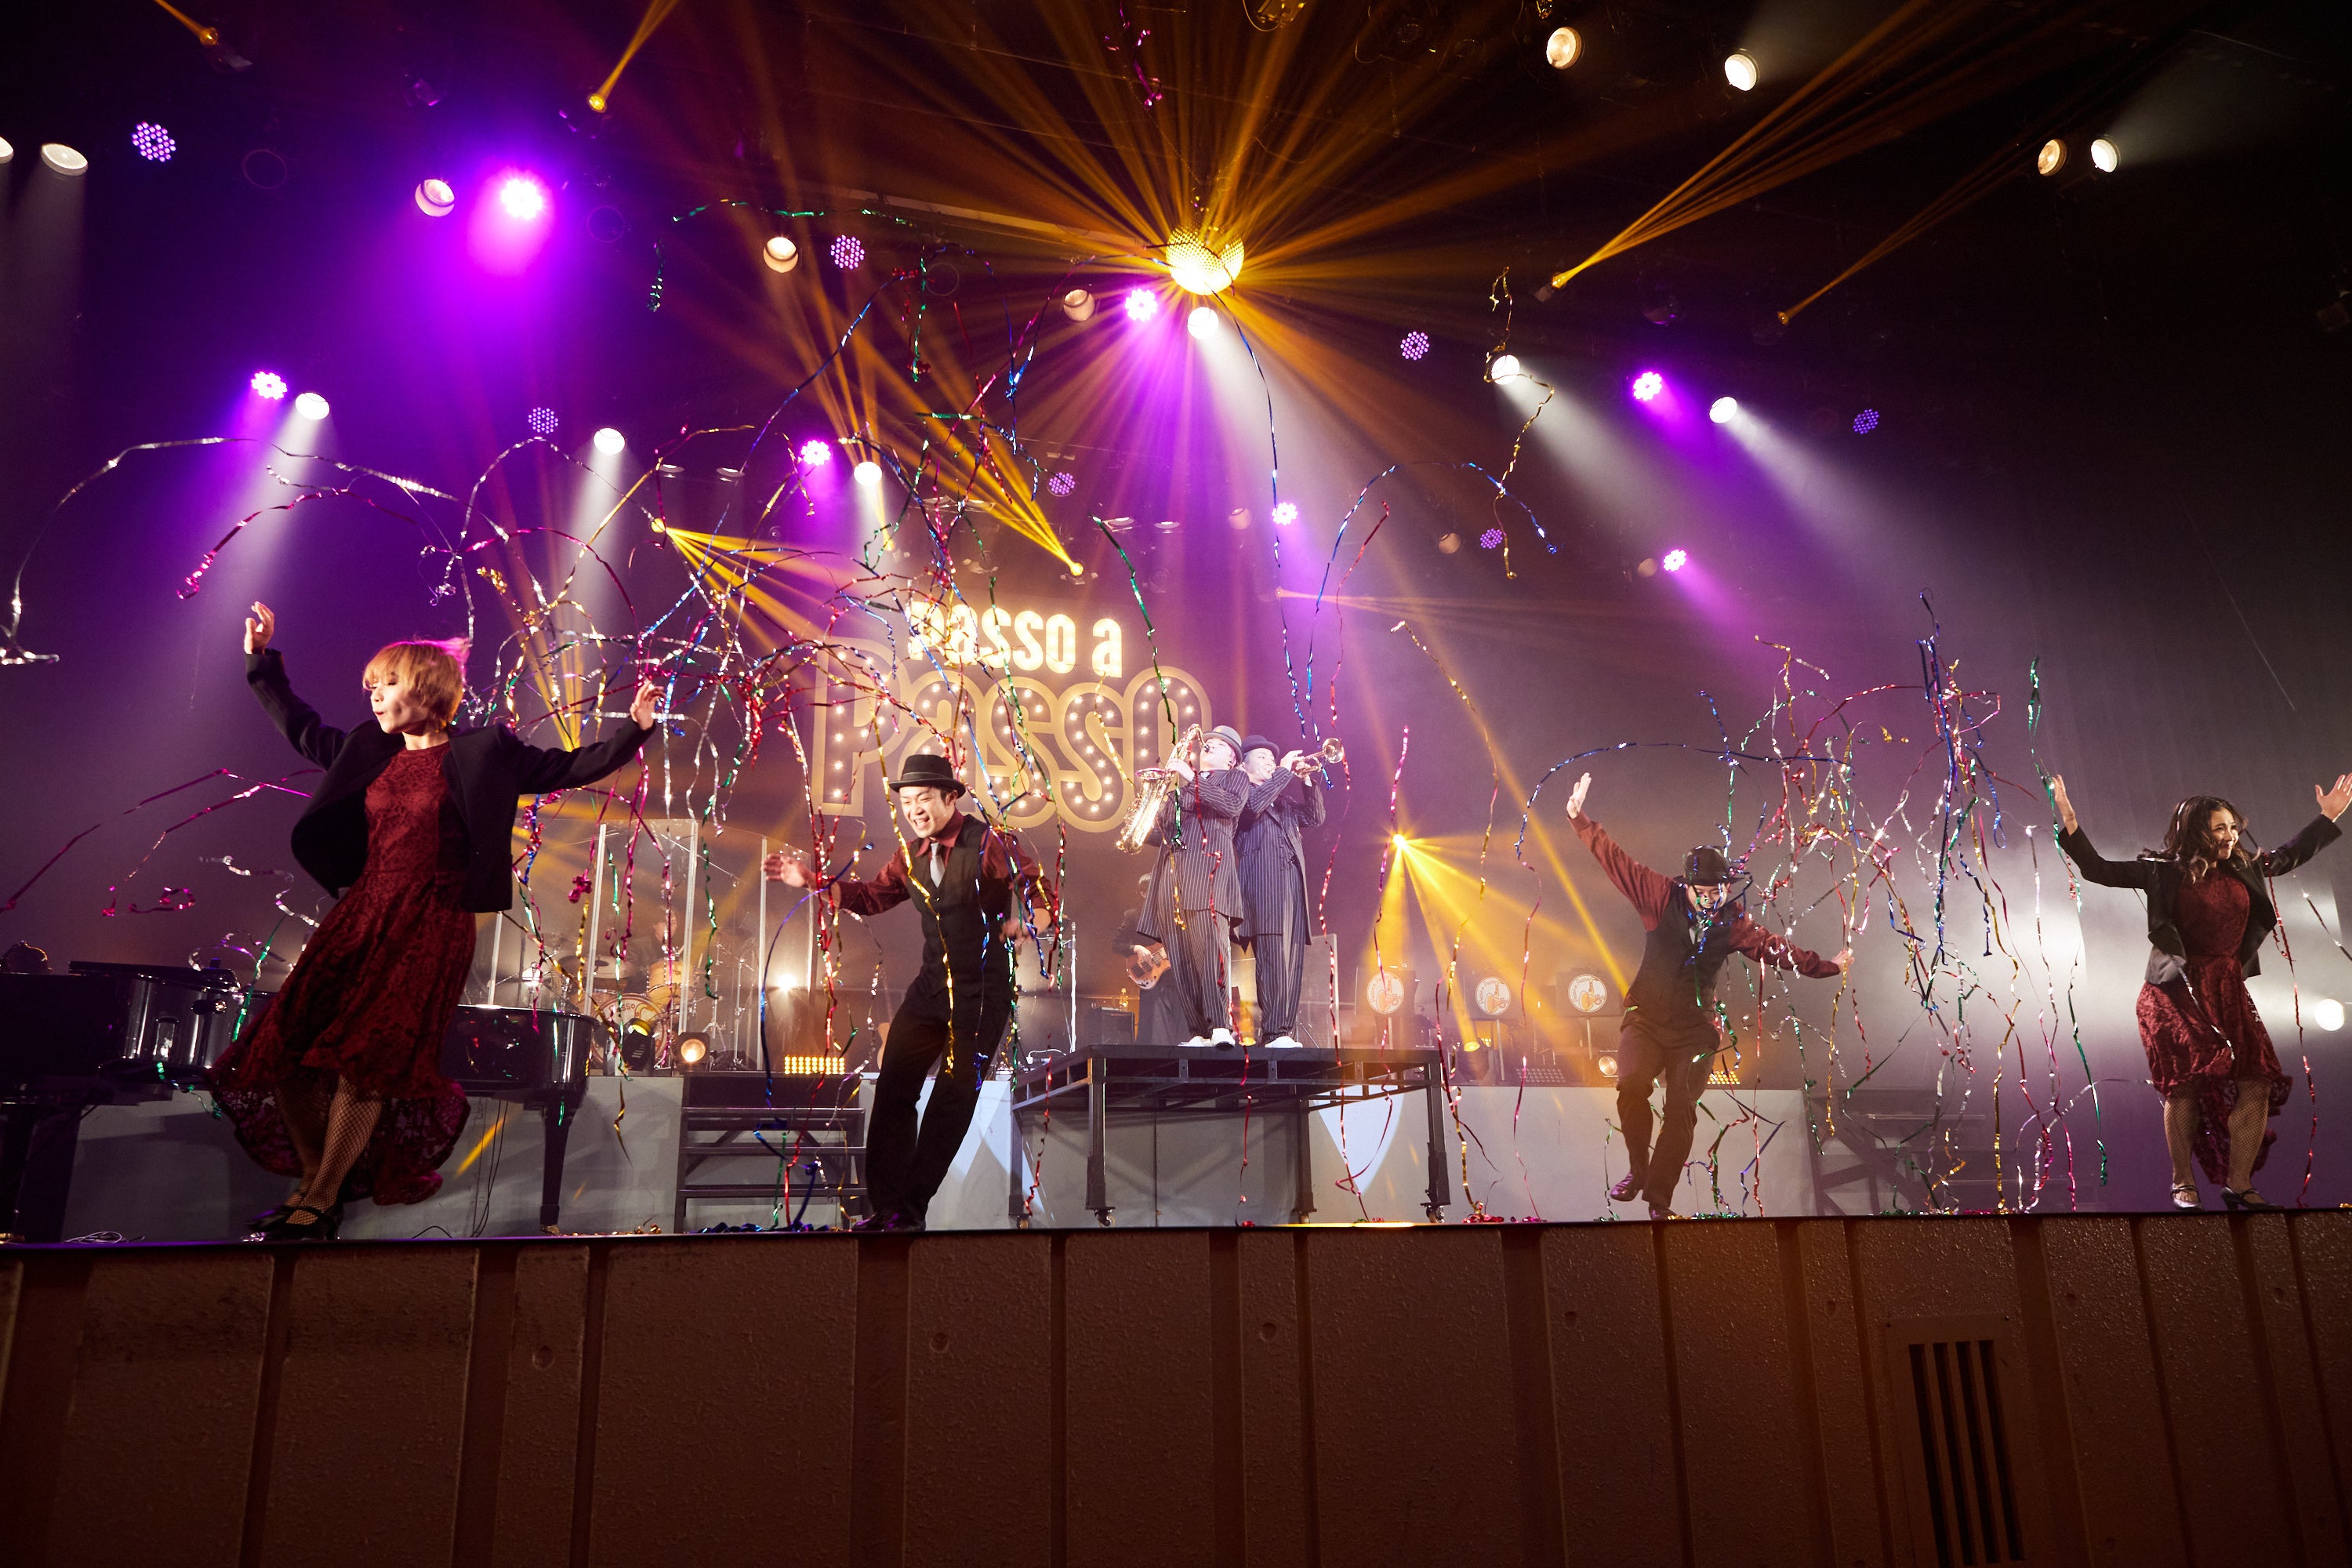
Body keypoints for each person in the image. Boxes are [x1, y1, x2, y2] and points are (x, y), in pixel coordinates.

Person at [210, 601, 657, 1240]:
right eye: (370, 686)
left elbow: (568, 767)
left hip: (431, 920)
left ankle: (320, 1200)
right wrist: (260, 660)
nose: (374, 696)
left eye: (386, 683)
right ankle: (315, 1185)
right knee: (282, 1048)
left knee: (368, 1059)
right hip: (362, 913)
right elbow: (300, 727)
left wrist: (634, 730)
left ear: (425, 689)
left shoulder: (485, 751)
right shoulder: (367, 750)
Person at [765, 752, 1055, 1230]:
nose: (914, 810)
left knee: (952, 1097)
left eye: (924, 799)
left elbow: (1040, 894)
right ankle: (886, 1207)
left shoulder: (989, 843)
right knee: (893, 1087)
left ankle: (910, 1209)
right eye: (906, 802)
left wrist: (1030, 923)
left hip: (981, 990)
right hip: (930, 988)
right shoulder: (910, 855)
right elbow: (871, 897)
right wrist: (812, 882)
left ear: (950, 797)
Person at [2050, 771, 2351, 1210]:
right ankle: (2182, 1181)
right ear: (2196, 832)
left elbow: (2289, 855)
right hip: (2176, 989)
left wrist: (2327, 818)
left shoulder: (2245, 867)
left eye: (2233, 828)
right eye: (2219, 829)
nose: (2230, 836)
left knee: (2256, 1081)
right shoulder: (2163, 872)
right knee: (2186, 1084)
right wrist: (2071, 824)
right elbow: (2099, 870)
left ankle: (2239, 1185)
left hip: (2227, 987)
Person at [1563, 772, 1849, 1218]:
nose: (1713, 899)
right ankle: (1638, 1171)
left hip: (1694, 1033)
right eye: (1705, 892)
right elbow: (1617, 861)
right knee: (1632, 1085)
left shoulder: (1733, 922)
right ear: (1688, 886)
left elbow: (1775, 949)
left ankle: (1659, 1199)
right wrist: (1580, 820)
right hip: (1646, 1019)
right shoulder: (1660, 896)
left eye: (1720, 891)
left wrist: (1827, 965)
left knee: (1681, 1108)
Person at [1138, 724, 1250, 1046]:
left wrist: (1191, 777)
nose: (1208, 746)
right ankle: (1198, 1031)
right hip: (1171, 881)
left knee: (1211, 954)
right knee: (1182, 961)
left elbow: (1231, 806)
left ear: (1232, 758)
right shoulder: (1182, 791)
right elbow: (1160, 834)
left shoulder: (1234, 779)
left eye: (1218, 744)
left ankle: (1220, 1026)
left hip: (1208, 876)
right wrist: (1149, 802)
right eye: (1208, 742)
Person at [1236, 735, 1329, 1048]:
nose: (1270, 762)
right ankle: (1274, 1031)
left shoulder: (1283, 801)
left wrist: (1306, 781)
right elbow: (1253, 808)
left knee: (1292, 963)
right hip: (1263, 890)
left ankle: (1284, 1031)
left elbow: (1315, 818)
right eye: (1262, 757)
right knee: (1274, 961)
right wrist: (1284, 773)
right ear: (1244, 765)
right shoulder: (1241, 793)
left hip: (1292, 889)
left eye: (1272, 758)